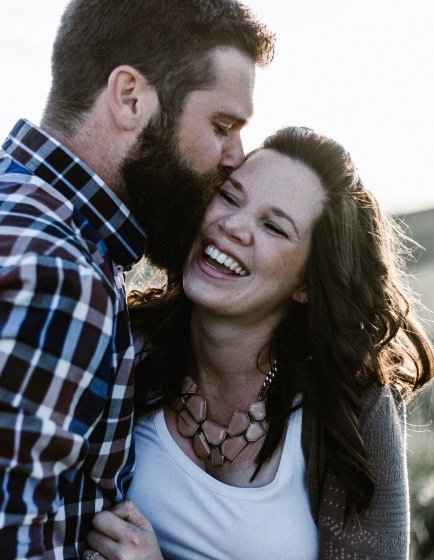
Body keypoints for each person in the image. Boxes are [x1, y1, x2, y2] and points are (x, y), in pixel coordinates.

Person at [0, 1, 275, 558]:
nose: (235, 155)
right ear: (130, 97)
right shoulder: (60, 278)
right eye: (222, 125)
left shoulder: (19, 207)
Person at [85, 126, 434, 560]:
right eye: (230, 197)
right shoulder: (124, 345)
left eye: (274, 227)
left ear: (307, 283)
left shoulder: (350, 408)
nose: (233, 226)